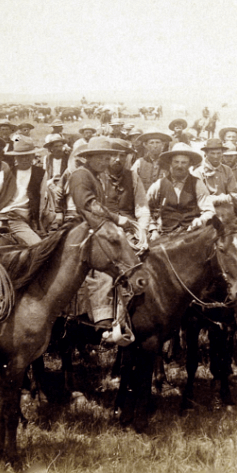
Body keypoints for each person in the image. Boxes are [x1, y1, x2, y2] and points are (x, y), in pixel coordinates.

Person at [66, 136, 142, 337]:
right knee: (104, 265)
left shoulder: (96, 176)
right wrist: (117, 220)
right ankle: (103, 318)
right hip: (80, 228)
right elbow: (88, 205)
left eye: (107, 158)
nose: (104, 162)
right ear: (88, 158)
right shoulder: (81, 175)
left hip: (93, 226)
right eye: (99, 158)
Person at [0, 137, 47, 244]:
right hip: (3, 216)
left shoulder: (41, 174)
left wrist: (38, 224)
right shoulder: (6, 173)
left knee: (38, 246)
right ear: (16, 157)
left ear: (33, 156)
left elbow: (41, 203)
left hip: (20, 220)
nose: (24, 159)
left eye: (27, 156)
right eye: (21, 156)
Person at [147, 143, 216, 236]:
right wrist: (153, 229)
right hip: (165, 234)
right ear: (170, 163)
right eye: (176, 162)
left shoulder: (197, 184)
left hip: (191, 235)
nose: (179, 166)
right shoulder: (159, 184)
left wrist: (200, 220)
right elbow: (145, 209)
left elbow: (209, 210)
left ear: (189, 165)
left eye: (184, 163)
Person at [131, 129, 170, 193]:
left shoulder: (168, 163)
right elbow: (132, 183)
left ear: (163, 145)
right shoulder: (139, 163)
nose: (155, 146)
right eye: (151, 143)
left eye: (157, 142)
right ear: (145, 145)